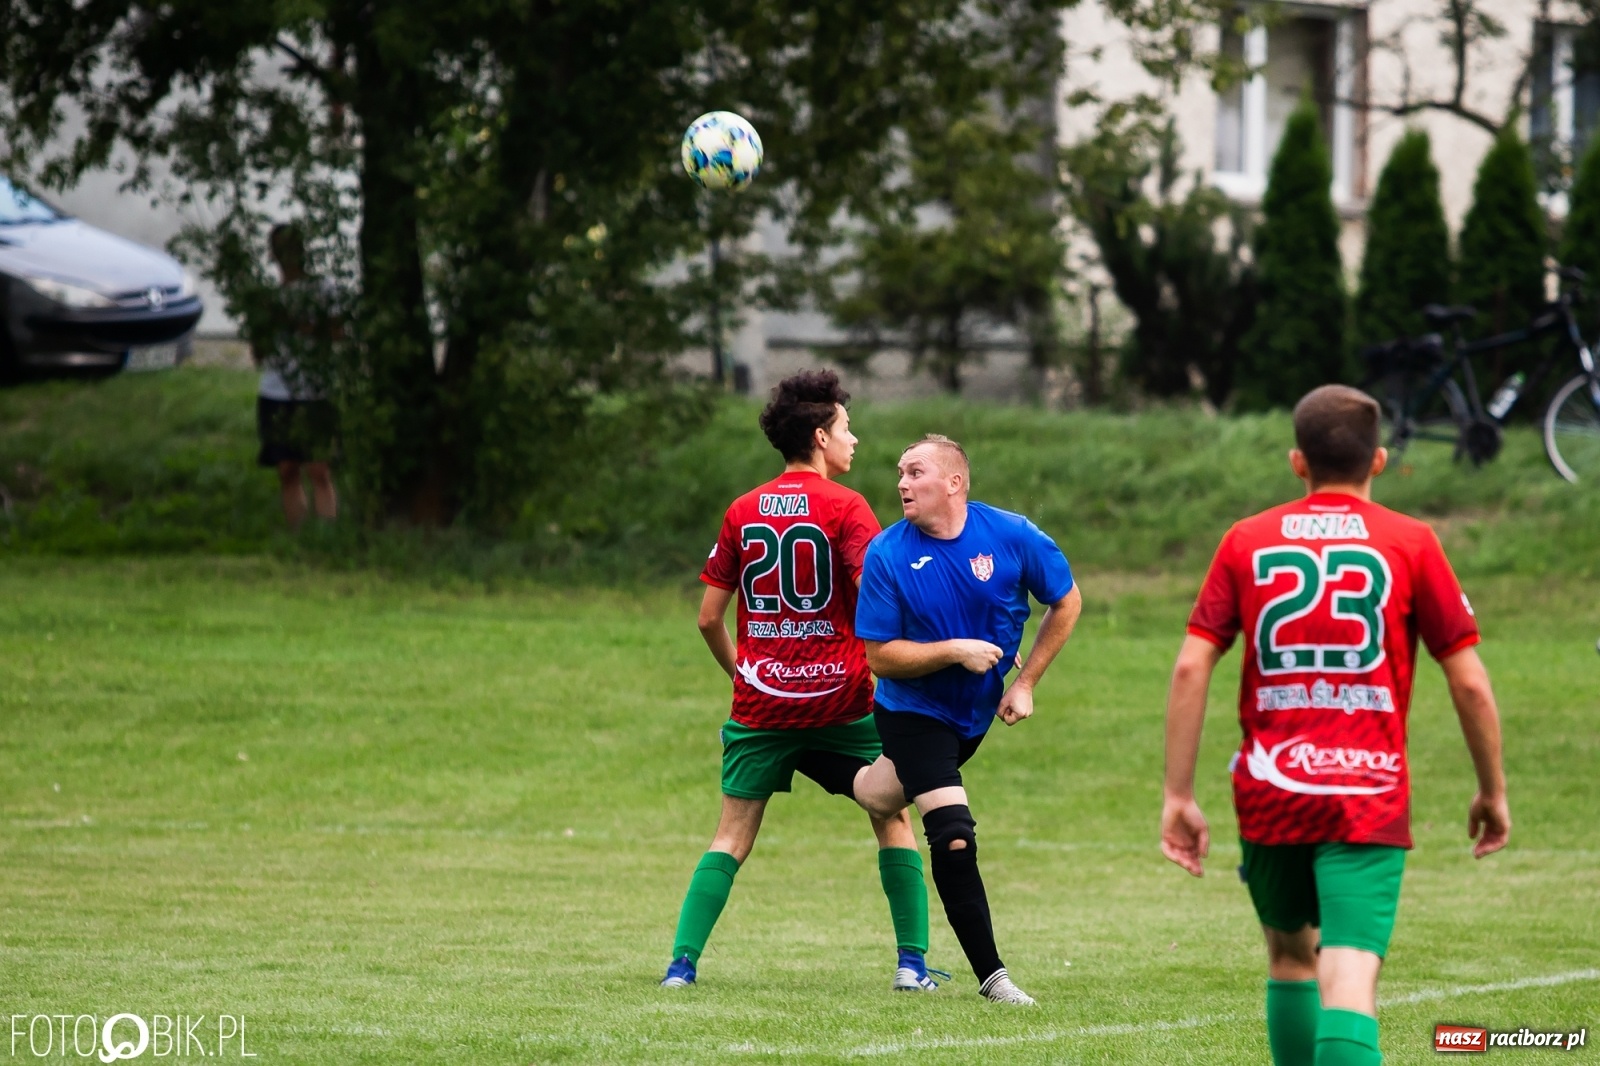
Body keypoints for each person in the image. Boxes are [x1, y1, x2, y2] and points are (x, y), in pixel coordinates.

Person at [1161, 385, 1511, 1066]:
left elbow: (1189, 668)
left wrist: (1178, 795)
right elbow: (1468, 680)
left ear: (1298, 462)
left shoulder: (1246, 540)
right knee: (1348, 976)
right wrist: (1492, 790)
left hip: (1270, 786)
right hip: (1366, 789)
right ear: (1378, 460)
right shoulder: (1411, 542)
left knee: (1291, 959)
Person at [661, 370, 941, 992]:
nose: (855, 439)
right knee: (893, 819)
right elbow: (876, 597)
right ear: (821, 436)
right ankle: (911, 966)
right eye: (847, 427)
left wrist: (745, 673)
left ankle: (681, 967)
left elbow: (708, 617)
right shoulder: (848, 508)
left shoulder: (742, 510)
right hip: (843, 701)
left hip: (762, 706)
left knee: (731, 836)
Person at [852, 434, 1082, 1005]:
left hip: (972, 716)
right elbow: (880, 657)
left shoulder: (1011, 534)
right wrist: (955, 649)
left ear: (954, 482)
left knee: (880, 793)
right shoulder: (887, 553)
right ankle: (993, 977)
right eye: (899, 473)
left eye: (916, 472)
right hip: (911, 711)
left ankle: (828, 764)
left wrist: (1025, 682)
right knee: (953, 833)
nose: (902, 483)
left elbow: (1067, 600)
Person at [253, 223, 338, 529]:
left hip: (315, 390)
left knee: (319, 468)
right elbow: (259, 354)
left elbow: (338, 333)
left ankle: (327, 535)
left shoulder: (324, 291)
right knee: (287, 468)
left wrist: (299, 324)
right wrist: (263, 326)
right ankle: (298, 534)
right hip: (277, 391)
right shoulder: (267, 297)